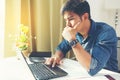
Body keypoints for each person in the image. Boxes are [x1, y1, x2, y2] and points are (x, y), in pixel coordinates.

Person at [45, 0, 118, 76]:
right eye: (66, 20)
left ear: (85, 17)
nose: (67, 25)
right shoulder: (75, 31)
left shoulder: (106, 32)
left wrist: (72, 40)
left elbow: (92, 68)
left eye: (71, 19)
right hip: (83, 73)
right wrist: (57, 57)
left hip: (107, 75)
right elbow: (61, 48)